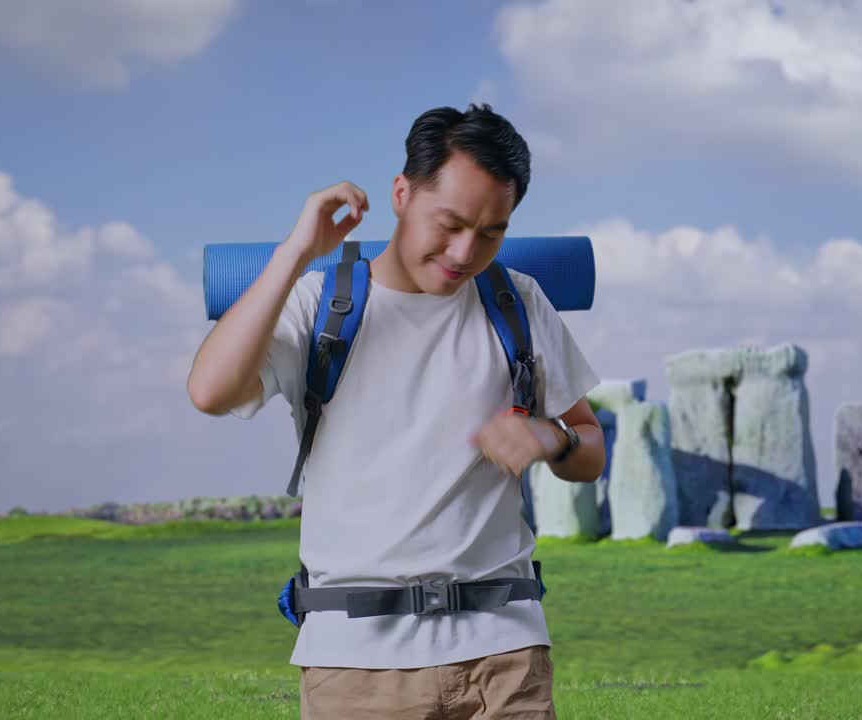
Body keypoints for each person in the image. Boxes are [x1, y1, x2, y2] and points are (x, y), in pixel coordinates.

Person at [186, 103, 605, 719]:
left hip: (506, 655)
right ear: (402, 194)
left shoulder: (518, 301)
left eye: (492, 231)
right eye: (451, 222)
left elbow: (589, 446)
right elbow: (210, 392)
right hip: (356, 663)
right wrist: (297, 252)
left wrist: (551, 438)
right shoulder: (321, 305)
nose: (466, 251)